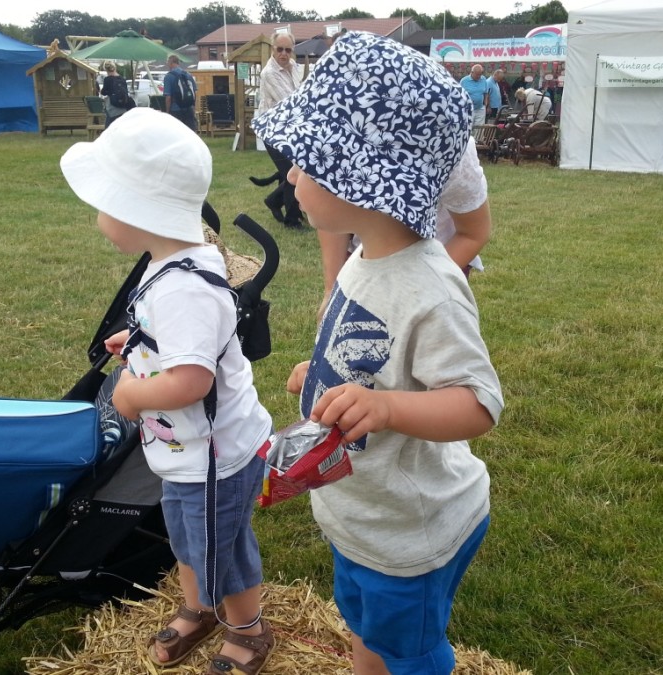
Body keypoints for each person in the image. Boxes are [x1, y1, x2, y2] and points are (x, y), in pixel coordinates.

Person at [252, 31, 504, 675]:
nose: (290, 175)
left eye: (307, 162)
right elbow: (372, 353)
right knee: (364, 624)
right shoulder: (366, 257)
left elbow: (477, 404)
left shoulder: (431, 289)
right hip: (363, 516)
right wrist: (327, 376)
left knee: (409, 652)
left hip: (410, 531)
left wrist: (386, 408)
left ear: (362, 181)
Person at [59, 108, 275, 675]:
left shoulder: (183, 287)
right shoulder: (173, 262)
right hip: (188, 454)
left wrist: (131, 396)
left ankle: (248, 631)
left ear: (136, 210)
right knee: (190, 539)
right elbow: (182, 341)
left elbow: (192, 380)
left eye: (106, 201)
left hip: (215, 457)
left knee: (218, 548)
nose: (100, 213)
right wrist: (139, 342)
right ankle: (198, 607)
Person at [315, 137, 491, 319]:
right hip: (362, 266)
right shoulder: (342, 129)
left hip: (437, 272)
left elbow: (473, 233)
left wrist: (412, 292)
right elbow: (330, 212)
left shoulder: (451, 142)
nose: (292, 176)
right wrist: (333, 291)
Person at [255, 32, 304, 230]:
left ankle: (274, 201)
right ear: (273, 49)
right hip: (273, 131)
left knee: (295, 171)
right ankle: (292, 221)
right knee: (292, 174)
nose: (284, 54)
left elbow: (300, 95)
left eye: (288, 49)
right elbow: (290, 101)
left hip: (289, 130)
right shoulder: (268, 74)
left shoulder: (295, 68)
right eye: (279, 49)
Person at [163, 54, 197, 131]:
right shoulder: (188, 74)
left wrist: (168, 112)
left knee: (176, 133)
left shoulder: (168, 77)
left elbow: (168, 97)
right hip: (189, 108)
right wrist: (193, 108)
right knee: (190, 132)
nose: (167, 64)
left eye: (167, 62)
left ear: (171, 63)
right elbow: (194, 93)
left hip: (175, 109)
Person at [99, 61, 132, 128]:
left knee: (109, 127)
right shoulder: (122, 79)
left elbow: (104, 92)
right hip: (123, 106)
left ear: (106, 69)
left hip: (112, 106)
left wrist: (104, 91)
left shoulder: (107, 79)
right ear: (115, 68)